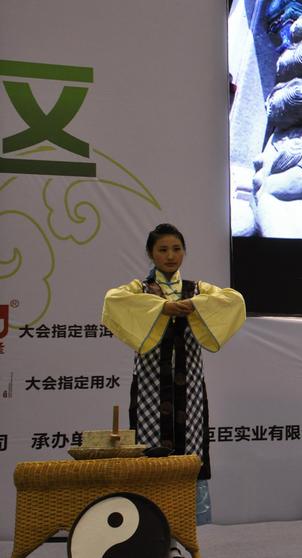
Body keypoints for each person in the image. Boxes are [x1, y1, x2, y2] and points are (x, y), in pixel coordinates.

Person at [101, 223, 246, 527]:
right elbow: (113, 301)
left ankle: (192, 518)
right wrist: (160, 308)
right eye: (163, 250)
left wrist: (196, 304)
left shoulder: (196, 289)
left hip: (189, 385)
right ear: (150, 254)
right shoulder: (139, 290)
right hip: (150, 385)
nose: (170, 256)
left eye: (176, 249)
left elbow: (234, 301)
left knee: (190, 444)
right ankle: (150, 519)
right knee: (149, 443)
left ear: (184, 252)